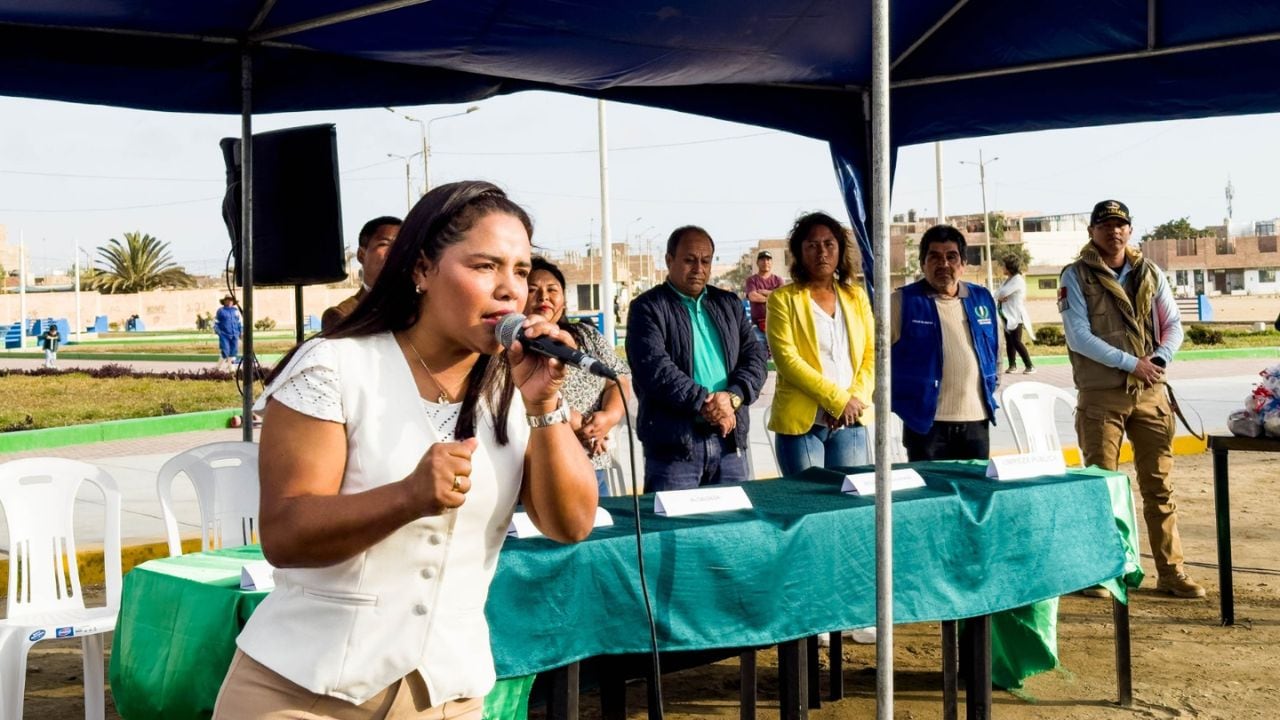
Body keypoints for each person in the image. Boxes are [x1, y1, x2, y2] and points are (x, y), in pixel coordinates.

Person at [212, 181, 598, 720]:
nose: (511, 290)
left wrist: (545, 405)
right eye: (486, 266)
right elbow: (284, 533)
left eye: (521, 271)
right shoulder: (335, 367)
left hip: (447, 696)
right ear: (420, 270)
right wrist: (408, 496)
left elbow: (572, 523)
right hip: (304, 695)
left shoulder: (515, 384)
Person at [1059, 199, 1203, 599]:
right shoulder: (1076, 276)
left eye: (1120, 225)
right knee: (1101, 486)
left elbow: (1173, 324)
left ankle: (1172, 572)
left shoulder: (1149, 272)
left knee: (1159, 486)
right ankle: (1101, 573)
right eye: (1105, 225)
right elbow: (1079, 336)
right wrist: (1131, 364)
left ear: (1130, 230)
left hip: (1150, 393)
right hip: (1101, 396)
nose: (1113, 231)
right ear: (1092, 231)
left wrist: (1157, 359)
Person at [625, 225, 768, 492]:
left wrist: (733, 397)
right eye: (689, 260)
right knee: (674, 533)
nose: (698, 268)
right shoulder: (647, 308)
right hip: (675, 449)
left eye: (705, 261)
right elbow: (655, 369)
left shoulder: (728, 303)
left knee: (733, 530)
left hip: (729, 443)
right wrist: (707, 403)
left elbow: (756, 357)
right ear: (669, 260)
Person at [766, 212, 874, 475]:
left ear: (839, 249)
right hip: (803, 426)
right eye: (812, 245)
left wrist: (853, 401)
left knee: (852, 506)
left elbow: (872, 354)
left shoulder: (855, 296)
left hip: (851, 421)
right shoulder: (783, 299)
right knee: (810, 508)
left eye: (829, 244)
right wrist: (837, 400)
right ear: (799, 252)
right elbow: (787, 361)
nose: (821, 252)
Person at [891, 224, 1001, 461]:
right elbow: (875, 357)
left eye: (951, 257)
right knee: (931, 497)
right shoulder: (902, 302)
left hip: (976, 422)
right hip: (926, 425)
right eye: (935, 257)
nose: (944, 264)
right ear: (922, 264)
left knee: (975, 494)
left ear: (962, 264)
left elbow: (994, 351)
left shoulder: (981, 298)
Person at [526, 256, 632, 496]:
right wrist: (584, 427)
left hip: (593, 460)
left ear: (563, 300)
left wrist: (608, 417)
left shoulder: (587, 335)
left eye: (552, 289)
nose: (543, 297)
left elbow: (618, 380)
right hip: (542, 465)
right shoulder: (512, 345)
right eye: (533, 290)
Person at [322, 215, 402, 330]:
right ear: (361, 255)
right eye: (384, 244)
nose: (394, 251)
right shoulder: (342, 315)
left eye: (401, 245)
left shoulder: (420, 310)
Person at [995, 254, 1036, 374]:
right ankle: (1012, 366)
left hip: (1016, 316)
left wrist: (1000, 296)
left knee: (1016, 341)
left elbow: (1001, 293)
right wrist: (999, 297)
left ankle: (1030, 366)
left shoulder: (1017, 280)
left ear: (1009, 267)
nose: (1002, 268)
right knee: (1009, 342)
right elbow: (998, 293)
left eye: (1004, 266)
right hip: (1007, 315)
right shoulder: (1008, 280)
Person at [745, 249, 784, 351]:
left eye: (768, 260)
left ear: (771, 263)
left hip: (776, 325)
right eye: (762, 260)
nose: (765, 262)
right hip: (758, 326)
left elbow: (782, 298)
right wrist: (773, 295)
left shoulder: (778, 280)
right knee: (759, 356)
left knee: (777, 356)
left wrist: (764, 292)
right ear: (757, 262)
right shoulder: (752, 280)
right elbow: (753, 296)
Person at [213, 295, 242, 372]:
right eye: (227, 300)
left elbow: (239, 323)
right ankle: (217, 368)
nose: (229, 301)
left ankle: (231, 370)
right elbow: (216, 323)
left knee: (233, 352)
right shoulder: (221, 311)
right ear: (224, 302)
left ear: (233, 302)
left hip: (235, 334)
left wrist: (241, 332)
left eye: (231, 300)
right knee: (225, 351)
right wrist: (219, 332)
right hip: (224, 335)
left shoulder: (236, 311)